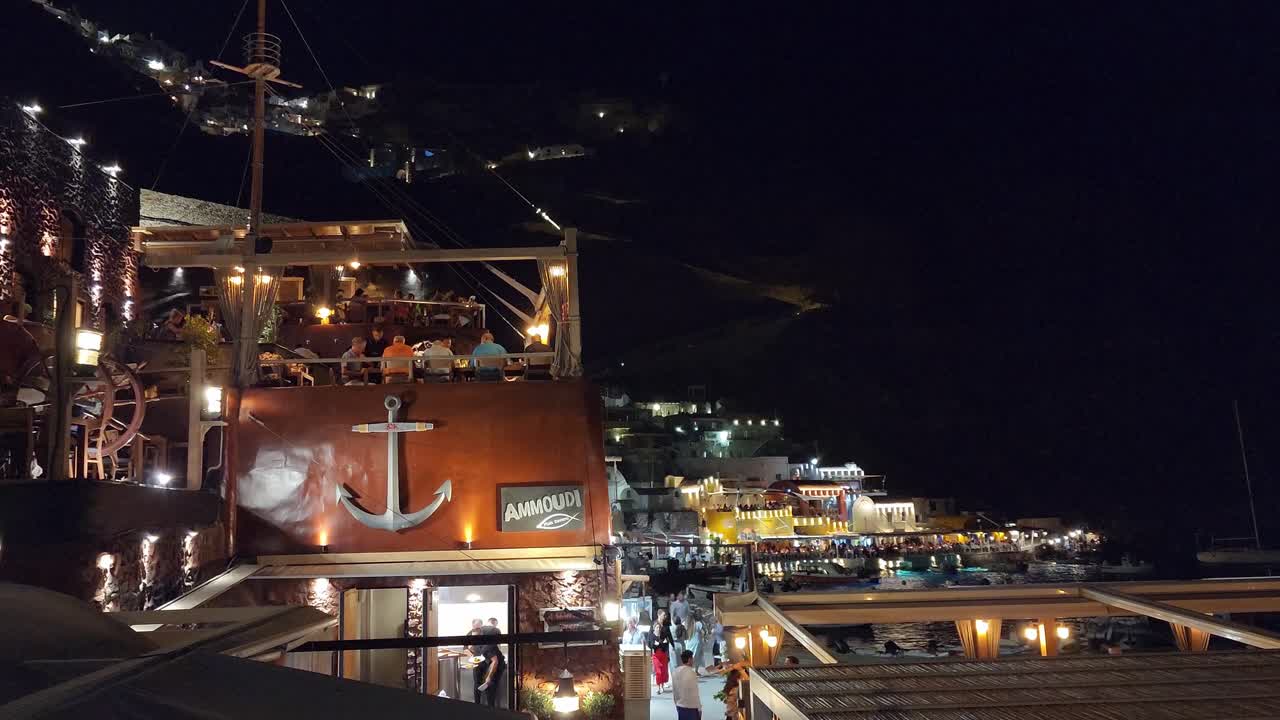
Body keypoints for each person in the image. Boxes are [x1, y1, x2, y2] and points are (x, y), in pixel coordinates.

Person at [648, 609, 673, 694]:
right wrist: (653, 645)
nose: (665, 617)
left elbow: (669, 635)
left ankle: (662, 684)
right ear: (659, 615)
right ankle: (660, 686)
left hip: (664, 651)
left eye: (665, 615)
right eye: (663, 615)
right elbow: (650, 639)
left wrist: (672, 644)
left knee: (664, 670)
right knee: (658, 670)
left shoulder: (665, 625)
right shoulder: (653, 626)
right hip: (656, 653)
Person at [672, 650, 701, 720]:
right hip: (692, 707)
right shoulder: (692, 673)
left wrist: (676, 703)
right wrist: (699, 708)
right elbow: (695, 693)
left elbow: (674, 690)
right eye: (692, 658)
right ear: (689, 659)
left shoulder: (675, 671)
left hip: (680, 705)